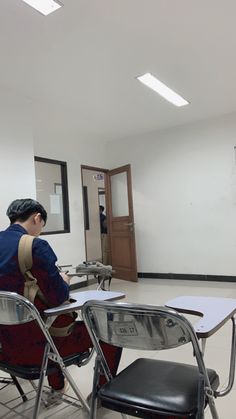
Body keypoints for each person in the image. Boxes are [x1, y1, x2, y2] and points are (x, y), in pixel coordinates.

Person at [0, 198, 122, 393]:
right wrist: (63, 280)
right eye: (41, 226)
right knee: (110, 331)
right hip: (39, 349)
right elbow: (58, 297)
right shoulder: (36, 246)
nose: (39, 231)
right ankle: (102, 392)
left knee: (41, 318)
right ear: (36, 218)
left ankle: (57, 386)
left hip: (5, 349)